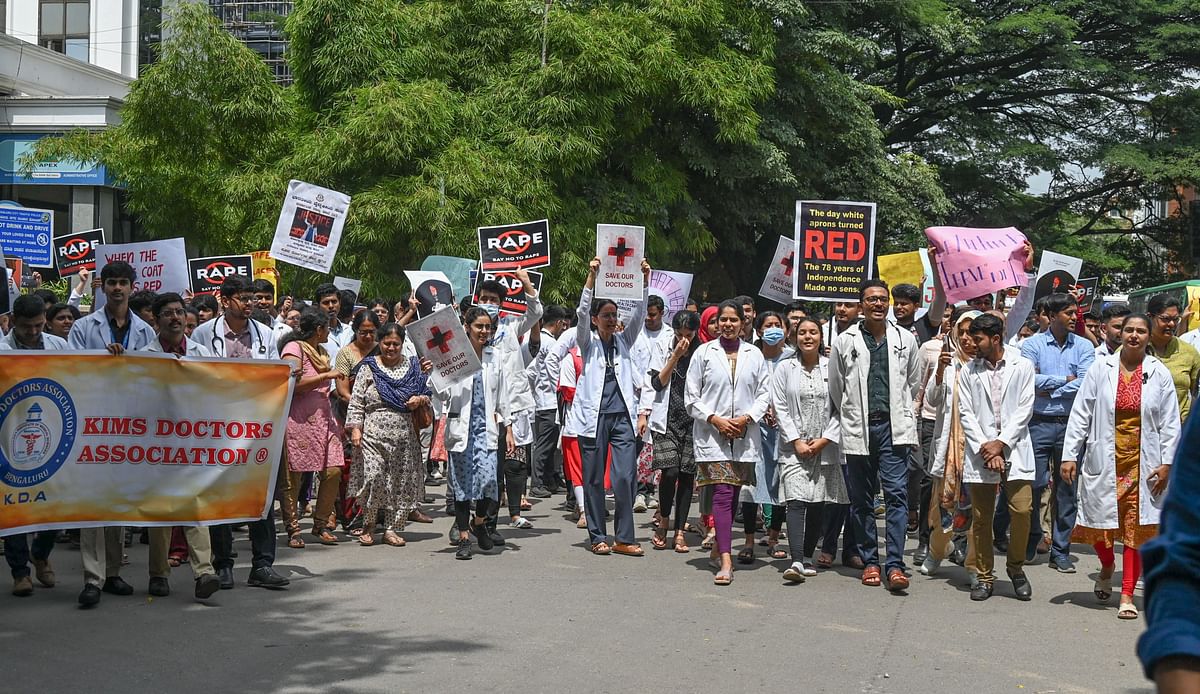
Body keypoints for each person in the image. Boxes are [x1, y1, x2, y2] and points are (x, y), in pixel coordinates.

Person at [1064, 313, 1179, 619]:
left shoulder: (1159, 372)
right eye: (1129, 330)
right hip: (1106, 459)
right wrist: (1069, 454)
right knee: (1100, 528)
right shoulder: (1101, 368)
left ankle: (1127, 593)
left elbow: (1170, 423)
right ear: (1120, 333)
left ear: (1148, 336)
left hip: (1144, 463)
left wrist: (1167, 463)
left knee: (1136, 529)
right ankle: (1106, 565)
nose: (1134, 335)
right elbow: (1081, 412)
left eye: (1140, 331)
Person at [68, 260, 156, 608]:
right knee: (93, 503)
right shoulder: (83, 327)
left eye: (123, 283)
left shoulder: (145, 332)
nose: (118, 289)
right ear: (101, 287)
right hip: (93, 423)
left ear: (132, 287)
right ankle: (93, 577)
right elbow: (72, 369)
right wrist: (100, 360)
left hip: (128, 425)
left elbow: (152, 373)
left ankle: (114, 571)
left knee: (118, 501)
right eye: (112, 283)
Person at [190, 276, 288, 590]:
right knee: (220, 497)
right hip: (218, 426)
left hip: (257, 428)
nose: (249, 305)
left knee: (260, 496)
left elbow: (274, 376)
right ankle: (224, 565)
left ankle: (262, 564)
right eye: (243, 299)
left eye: (251, 299)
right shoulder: (205, 333)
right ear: (226, 299)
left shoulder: (266, 335)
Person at [828, 279, 923, 592]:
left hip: (893, 428)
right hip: (859, 427)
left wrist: (903, 414)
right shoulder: (846, 340)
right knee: (862, 499)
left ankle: (894, 565)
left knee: (896, 495)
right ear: (861, 305)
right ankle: (870, 561)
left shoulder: (905, 339)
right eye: (871, 299)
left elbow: (912, 382)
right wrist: (852, 414)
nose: (878, 304)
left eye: (883, 299)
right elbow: (836, 387)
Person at [138, 292, 222, 601]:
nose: (175, 318)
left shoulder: (201, 354)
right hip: (156, 444)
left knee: (194, 505)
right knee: (161, 511)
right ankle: (158, 574)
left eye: (179, 312)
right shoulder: (143, 355)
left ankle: (204, 572)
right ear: (156, 320)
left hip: (192, 441)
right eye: (168, 313)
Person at [570, 257, 651, 557]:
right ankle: (597, 535)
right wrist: (591, 277)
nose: (610, 319)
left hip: (621, 419)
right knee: (592, 479)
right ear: (595, 319)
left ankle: (625, 538)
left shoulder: (624, 342)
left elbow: (640, 315)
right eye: (605, 314)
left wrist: (645, 281)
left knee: (624, 477)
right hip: (593, 419)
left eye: (614, 314)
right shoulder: (587, 344)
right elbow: (580, 312)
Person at [686, 300, 770, 585]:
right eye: (723, 320)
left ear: (742, 322)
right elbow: (691, 397)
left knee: (733, 493)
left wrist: (746, 418)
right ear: (716, 323)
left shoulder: (754, 355)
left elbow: (764, 393)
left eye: (734, 320)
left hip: (744, 436)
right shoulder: (703, 353)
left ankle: (717, 545)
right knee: (722, 492)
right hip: (713, 435)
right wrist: (715, 419)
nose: (728, 325)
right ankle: (725, 558)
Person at [955, 314, 1037, 601]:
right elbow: (965, 412)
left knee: (1022, 511)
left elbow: (1025, 408)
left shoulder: (1023, 365)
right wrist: (985, 447)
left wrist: (1001, 443)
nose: (971, 343)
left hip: (1015, 447)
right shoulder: (968, 371)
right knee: (981, 518)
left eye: (977, 339)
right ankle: (985, 576)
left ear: (995, 338)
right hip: (981, 453)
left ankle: (1015, 568)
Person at [1020, 292, 1095, 574]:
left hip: (1072, 425)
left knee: (1067, 490)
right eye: (1068, 313)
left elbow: (1086, 382)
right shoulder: (1032, 345)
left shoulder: (1085, 346)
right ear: (1051, 317)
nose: (1074, 317)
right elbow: (1029, 378)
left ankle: (1061, 551)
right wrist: (1064, 380)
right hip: (1038, 423)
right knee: (1034, 485)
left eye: (1075, 312)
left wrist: (1049, 387)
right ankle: (1032, 538)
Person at [431, 307, 514, 560]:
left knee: (490, 484)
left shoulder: (494, 356)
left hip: (486, 428)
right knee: (463, 487)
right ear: (466, 326)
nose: (484, 331)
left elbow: (503, 394)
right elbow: (442, 394)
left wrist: (508, 427)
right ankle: (465, 538)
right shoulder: (454, 356)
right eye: (479, 326)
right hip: (462, 430)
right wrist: (433, 373)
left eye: (488, 327)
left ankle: (479, 522)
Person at [771, 316, 848, 582]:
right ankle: (795, 560)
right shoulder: (785, 368)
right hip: (795, 447)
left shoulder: (831, 368)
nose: (807, 337)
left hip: (824, 446)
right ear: (794, 336)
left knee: (818, 501)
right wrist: (796, 441)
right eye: (802, 332)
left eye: (813, 332)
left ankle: (806, 556)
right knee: (795, 500)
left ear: (820, 337)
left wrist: (826, 439)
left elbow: (842, 406)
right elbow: (780, 406)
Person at [346, 323, 432, 547]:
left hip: (404, 436)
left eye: (396, 344)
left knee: (399, 482)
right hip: (373, 435)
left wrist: (419, 399)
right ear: (379, 342)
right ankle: (369, 524)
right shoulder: (369, 367)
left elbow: (427, 393)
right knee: (374, 478)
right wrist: (356, 428)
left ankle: (392, 529)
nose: (391, 348)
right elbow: (356, 401)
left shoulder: (414, 366)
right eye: (386, 343)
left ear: (402, 344)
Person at [3, 295, 65, 597]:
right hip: (9, 437)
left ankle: (41, 554)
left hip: (53, 436)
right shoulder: (2, 351)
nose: (33, 332)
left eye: (39, 325)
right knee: (14, 504)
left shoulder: (61, 348)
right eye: (27, 327)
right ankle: (20, 572)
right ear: (13, 322)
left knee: (52, 504)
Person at [921, 308, 981, 578]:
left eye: (973, 332)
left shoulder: (990, 365)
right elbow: (932, 401)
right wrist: (941, 371)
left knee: (976, 513)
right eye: (962, 332)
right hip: (949, 450)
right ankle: (936, 551)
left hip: (978, 450)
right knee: (942, 507)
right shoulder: (949, 361)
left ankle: (972, 564)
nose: (967, 338)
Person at [279, 306, 346, 548]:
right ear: (319, 329)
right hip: (298, 420)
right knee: (293, 477)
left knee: (334, 471)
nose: (329, 332)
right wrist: (324, 377)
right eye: (327, 327)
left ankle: (320, 524)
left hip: (324, 420)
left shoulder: (322, 352)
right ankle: (293, 529)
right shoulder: (293, 349)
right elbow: (290, 385)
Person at [646, 310, 701, 552]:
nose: (683, 340)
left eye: (688, 335)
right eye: (679, 334)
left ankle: (680, 531)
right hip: (666, 419)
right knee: (669, 472)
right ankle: (664, 521)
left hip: (692, 420)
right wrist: (675, 356)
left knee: (687, 476)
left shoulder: (704, 351)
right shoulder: (662, 345)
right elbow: (658, 383)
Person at [737, 311, 789, 564]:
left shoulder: (792, 359)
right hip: (753, 428)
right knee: (750, 483)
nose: (773, 329)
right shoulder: (750, 356)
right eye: (767, 326)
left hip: (784, 430)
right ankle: (748, 541)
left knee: (779, 482)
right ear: (758, 331)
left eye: (777, 325)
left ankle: (773, 538)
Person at [528, 304, 572, 499]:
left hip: (543, 400)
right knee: (545, 445)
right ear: (560, 323)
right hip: (549, 402)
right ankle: (537, 483)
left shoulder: (542, 342)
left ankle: (549, 480)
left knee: (549, 443)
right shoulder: (551, 344)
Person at [1146, 293, 1200, 423]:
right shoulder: (1132, 351)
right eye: (1165, 319)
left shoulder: (1189, 352)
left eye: (1176, 319)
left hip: (1179, 431)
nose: (1171, 324)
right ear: (1150, 317)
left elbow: (1194, 393)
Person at [316, 283, 352, 356]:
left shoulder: (351, 331)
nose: (331, 306)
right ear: (318, 305)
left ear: (340, 303)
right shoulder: (315, 333)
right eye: (325, 303)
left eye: (334, 301)